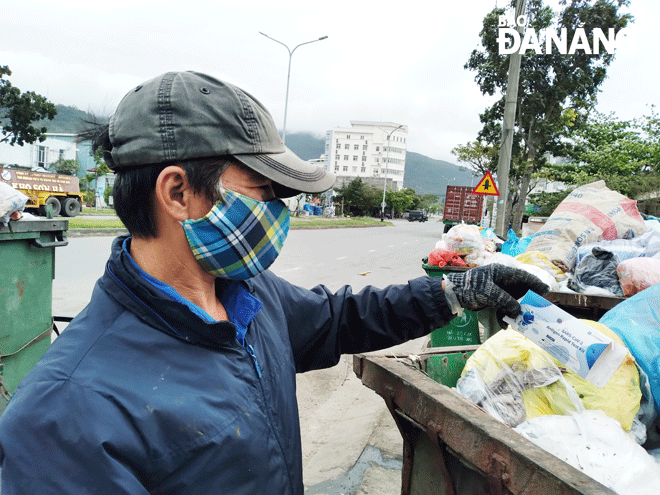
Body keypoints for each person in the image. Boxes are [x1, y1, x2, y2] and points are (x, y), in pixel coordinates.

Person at [0, 71, 548, 494]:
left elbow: (338, 318)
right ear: (176, 192)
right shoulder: (65, 415)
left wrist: (452, 291)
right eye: (266, 191)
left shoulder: (248, 295)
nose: (283, 212)